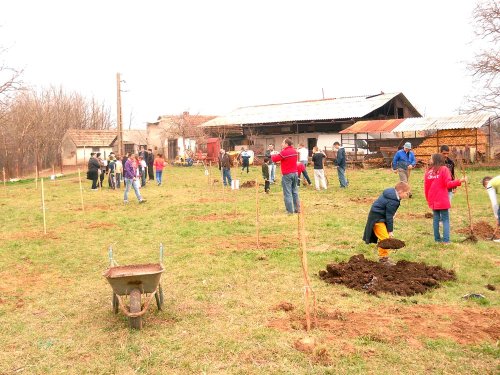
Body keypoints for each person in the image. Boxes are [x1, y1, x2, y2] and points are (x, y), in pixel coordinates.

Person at [362, 181, 412, 265]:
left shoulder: (391, 194)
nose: (407, 195)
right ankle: (383, 259)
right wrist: (390, 231)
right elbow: (389, 217)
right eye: (406, 193)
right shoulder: (393, 200)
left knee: (384, 237)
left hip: (379, 216)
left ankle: (383, 257)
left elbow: (387, 210)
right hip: (377, 219)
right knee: (385, 238)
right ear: (400, 192)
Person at [424, 153, 465, 245]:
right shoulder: (444, 169)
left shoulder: (428, 171)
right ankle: (446, 240)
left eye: (431, 158)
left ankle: (437, 240)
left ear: (435, 160)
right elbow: (448, 184)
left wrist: (428, 199)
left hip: (433, 199)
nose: (430, 160)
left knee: (436, 219)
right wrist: (460, 181)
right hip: (442, 199)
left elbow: (426, 187)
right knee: (445, 219)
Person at [271, 138, 300, 214]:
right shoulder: (294, 151)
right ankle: (297, 209)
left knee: (287, 193)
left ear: (287, 144)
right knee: (295, 191)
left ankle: (290, 211)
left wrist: (272, 154)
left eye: (283, 143)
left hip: (287, 174)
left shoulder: (284, 152)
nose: (281, 144)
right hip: (295, 173)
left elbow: (274, 159)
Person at [482, 175, 500, 242]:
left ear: (486, 184)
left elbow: (494, 203)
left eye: (485, 187)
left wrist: (497, 217)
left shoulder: (489, 185)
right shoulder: (496, 181)